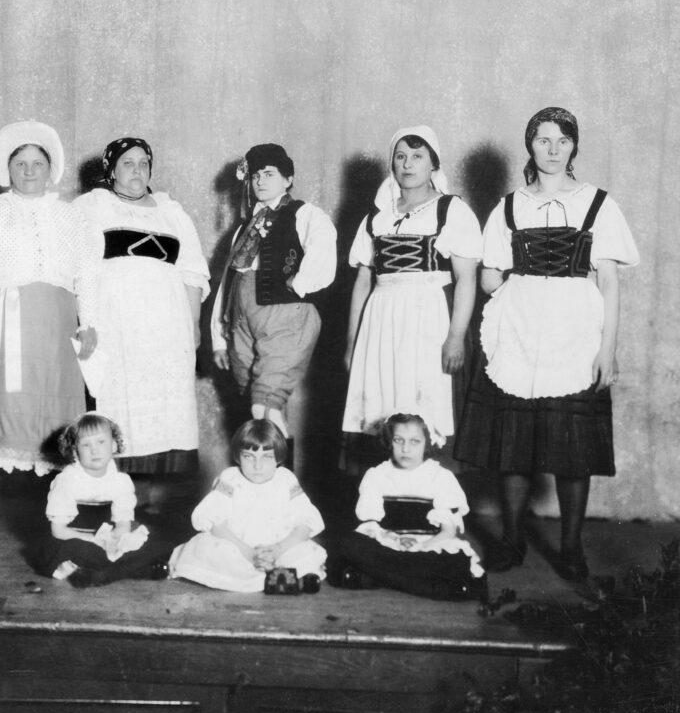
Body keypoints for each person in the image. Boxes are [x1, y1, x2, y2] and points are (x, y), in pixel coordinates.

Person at [455, 107, 639, 580]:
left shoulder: (598, 203)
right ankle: (512, 541)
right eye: (542, 140)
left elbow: (611, 283)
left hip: (576, 332)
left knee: (572, 449)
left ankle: (571, 548)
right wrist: (514, 279)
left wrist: (608, 348)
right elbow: (491, 277)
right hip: (519, 329)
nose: (553, 149)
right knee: (513, 444)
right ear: (529, 146)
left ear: (575, 146)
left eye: (562, 140)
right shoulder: (510, 206)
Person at [0, 121, 100, 543]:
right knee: (1, 417)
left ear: (51, 169)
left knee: (53, 420)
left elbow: (87, 273)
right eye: (20, 163)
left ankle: (53, 517)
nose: (30, 171)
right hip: (4, 325)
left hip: (56, 327)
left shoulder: (71, 216)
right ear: (7, 170)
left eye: (38, 163)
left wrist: (88, 323)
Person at [74, 138, 209, 483]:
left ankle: (154, 498)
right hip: (117, 321)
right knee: (120, 399)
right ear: (112, 169)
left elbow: (191, 273)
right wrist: (87, 322)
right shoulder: (93, 206)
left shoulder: (172, 212)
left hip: (168, 324)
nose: (137, 170)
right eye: (127, 163)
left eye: (143, 163)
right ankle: (117, 492)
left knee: (165, 404)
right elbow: (81, 269)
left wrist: (193, 325)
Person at [342, 126, 481, 447]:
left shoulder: (451, 210)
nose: (407, 164)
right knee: (382, 397)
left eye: (417, 157)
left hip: (429, 319)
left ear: (434, 164)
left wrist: (456, 337)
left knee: (426, 398)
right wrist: (352, 341)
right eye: (400, 157)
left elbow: (467, 279)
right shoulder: (377, 216)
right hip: (381, 321)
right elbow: (363, 281)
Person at [210, 143, 337, 442]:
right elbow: (228, 281)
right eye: (255, 176)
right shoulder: (245, 227)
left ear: (288, 179)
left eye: (269, 174)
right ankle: (267, 477)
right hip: (242, 320)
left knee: (264, 403)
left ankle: (280, 485)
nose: (261, 182)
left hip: (285, 318)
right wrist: (219, 336)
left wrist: (300, 283)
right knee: (255, 404)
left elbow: (323, 245)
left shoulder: (303, 213)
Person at [330, 414, 486, 600]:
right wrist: (393, 541)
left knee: (456, 560)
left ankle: (377, 578)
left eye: (415, 441)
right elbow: (371, 525)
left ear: (427, 443)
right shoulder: (377, 475)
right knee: (349, 543)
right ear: (390, 442)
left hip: (429, 546)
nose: (406, 449)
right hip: (388, 544)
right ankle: (427, 586)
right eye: (398, 440)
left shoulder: (440, 477)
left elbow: (448, 531)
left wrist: (422, 547)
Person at [168, 419, 326, 593]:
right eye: (249, 456)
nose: (257, 466)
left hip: (279, 545)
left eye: (266, 457)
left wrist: (278, 549)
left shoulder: (286, 480)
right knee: (210, 550)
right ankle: (258, 576)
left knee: (306, 551)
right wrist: (248, 553)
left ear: (278, 458)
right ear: (238, 456)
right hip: (238, 546)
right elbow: (217, 524)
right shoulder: (230, 479)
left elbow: (305, 523)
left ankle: (280, 570)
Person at [29, 412, 174, 587]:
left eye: (101, 442)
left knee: (153, 542)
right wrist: (92, 539)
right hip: (75, 538)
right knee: (77, 551)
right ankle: (116, 572)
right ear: (75, 452)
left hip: (106, 539)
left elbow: (123, 524)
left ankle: (100, 573)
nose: (95, 450)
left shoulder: (120, 481)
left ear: (113, 445)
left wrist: (114, 539)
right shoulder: (67, 480)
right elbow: (58, 531)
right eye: (86, 445)